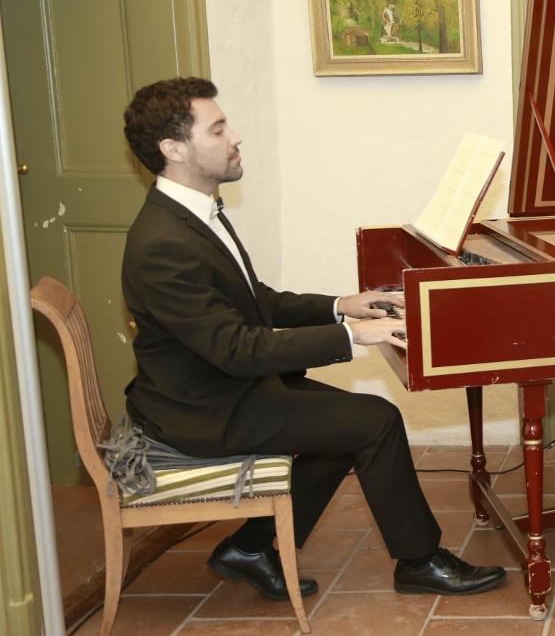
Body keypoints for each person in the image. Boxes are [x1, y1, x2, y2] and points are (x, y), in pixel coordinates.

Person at [121, 77, 506, 601]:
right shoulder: (162, 244)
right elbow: (237, 348)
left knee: (349, 426)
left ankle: (255, 548)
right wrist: (354, 335)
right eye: (218, 128)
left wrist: (341, 304)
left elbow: (253, 298)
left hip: (220, 388)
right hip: (204, 408)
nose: (236, 136)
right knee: (375, 421)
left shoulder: (188, 214)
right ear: (174, 149)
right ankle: (418, 562)